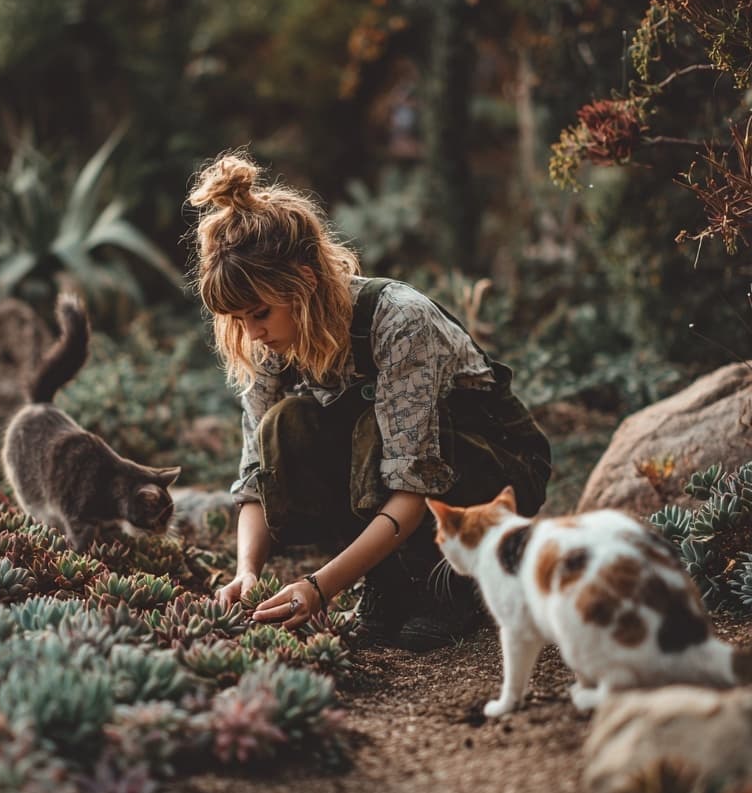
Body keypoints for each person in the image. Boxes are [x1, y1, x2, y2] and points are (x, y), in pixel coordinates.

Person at [187, 150, 551, 651]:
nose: (251, 332)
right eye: (238, 319)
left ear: (304, 283)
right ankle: (388, 575)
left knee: (369, 429)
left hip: (492, 473)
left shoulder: (401, 321)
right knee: (285, 425)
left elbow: (413, 480)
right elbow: (255, 477)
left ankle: (447, 583)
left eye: (260, 313)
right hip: (396, 481)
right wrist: (245, 572)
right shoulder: (270, 335)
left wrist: (320, 587)